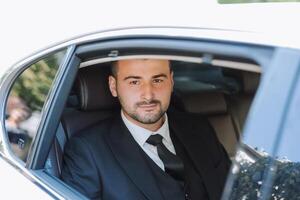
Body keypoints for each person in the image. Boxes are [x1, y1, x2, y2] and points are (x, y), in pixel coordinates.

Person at [61, 59, 231, 200]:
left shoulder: (199, 128)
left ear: (171, 82)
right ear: (113, 86)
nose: (148, 95)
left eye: (157, 80)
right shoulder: (87, 151)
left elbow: (232, 190)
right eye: (134, 82)